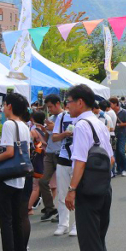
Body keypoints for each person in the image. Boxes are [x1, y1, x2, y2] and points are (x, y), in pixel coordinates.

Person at [62, 84, 115, 251]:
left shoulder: (82, 125)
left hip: (88, 191)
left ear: (80, 102)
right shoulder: (99, 123)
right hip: (104, 189)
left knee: (90, 245)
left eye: (69, 101)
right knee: (98, 242)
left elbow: (80, 161)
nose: (67, 106)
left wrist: (72, 189)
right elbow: (110, 159)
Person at [0, 92, 34, 251]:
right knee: (17, 218)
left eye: (4, 105)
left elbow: (9, 152)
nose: (3, 108)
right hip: (21, 177)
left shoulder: (9, 124)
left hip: (8, 178)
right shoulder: (24, 125)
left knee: (6, 220)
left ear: (9, 106)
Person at [49, 94, 77, 237]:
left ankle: (76, 225)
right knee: (62, 193)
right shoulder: (62, 117)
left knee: (78, 193)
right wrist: (64, 134)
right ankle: (63, 224)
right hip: (64, 158)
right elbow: (54, 137)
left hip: (79, 160)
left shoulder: (85, 118)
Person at [109, 97, 126, 177]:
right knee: (116, 152)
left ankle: (124, 169)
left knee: (121, 151)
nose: (110, 105)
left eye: (110, 104)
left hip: (122, 133)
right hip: (114, 134)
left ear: (115, 104)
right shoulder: (111, 112)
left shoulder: (123, 112)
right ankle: (119, 169)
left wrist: (120, 124)